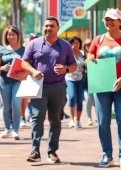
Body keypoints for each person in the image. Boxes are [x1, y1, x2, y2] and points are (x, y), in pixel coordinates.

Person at [22, 16, 77, 164]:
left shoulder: (65, 46)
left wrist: (66, 69)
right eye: (46, 26)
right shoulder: (34, 44)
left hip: (58, 87)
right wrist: (34, 71)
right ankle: (35, 151)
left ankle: (52, 152)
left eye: (52, 26)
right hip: (38, 86)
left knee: (55, 120)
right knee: (37, 117)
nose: (48, 28)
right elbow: (24, 62)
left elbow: (73, 65)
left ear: (57, 28)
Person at [87, 8, 121, 167]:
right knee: (102, 121)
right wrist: (91, 58)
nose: (109, 22)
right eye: (106, 19)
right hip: (102, 85)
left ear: (119, 22)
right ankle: (107, 154)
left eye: (112, 19)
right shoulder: (98, 39)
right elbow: (89, 57)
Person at [0, 25, 26, 140]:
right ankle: (7, 129)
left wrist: (24, 73)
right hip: (4, 82)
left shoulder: (24, 50)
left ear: (18, 36)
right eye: (9, 34)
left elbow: (29, 65)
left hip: (18, 81)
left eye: (13, 34)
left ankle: (16, 130)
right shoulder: (1, 50)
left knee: (16, 104)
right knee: (6, 106)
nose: (11, 36)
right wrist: (2, 68)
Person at [65, 37, 85, 129]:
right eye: (72, 43)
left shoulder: (83, 54)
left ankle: (78, 120)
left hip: (80, 80)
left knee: (80, 100)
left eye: (76, 43)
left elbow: (88, 64)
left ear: (80, 44)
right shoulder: (67, 54)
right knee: (72, 97)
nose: (74, 45)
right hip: (70, 79)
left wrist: (84, 69)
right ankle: (72, 119)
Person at [83, 38, 96, 126]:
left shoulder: (97, 54)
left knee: (96, 100)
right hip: (87, 81)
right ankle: (89, 118)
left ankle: (97, 116)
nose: (88, 47)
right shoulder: (83, 55)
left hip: (97, 80)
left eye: (90, 44)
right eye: (87, 45)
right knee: (88, 100)